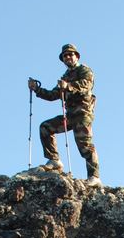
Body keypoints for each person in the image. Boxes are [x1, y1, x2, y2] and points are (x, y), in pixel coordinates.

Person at [28, 44, 100, 185]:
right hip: (70, 115)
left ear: (76, 56)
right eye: (65, 56)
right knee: (46, 127)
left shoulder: (84, 70)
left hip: (83, 114)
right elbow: (52, 95)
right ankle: (54, 160)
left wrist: (68, 87)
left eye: (70, 54)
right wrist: (37, 89)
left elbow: (86, 85)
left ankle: (95, 176)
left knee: (85, 144)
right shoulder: (65, 77)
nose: (67, 57)